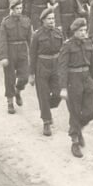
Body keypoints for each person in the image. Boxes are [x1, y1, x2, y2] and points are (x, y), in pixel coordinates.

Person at [58, 18, 93, 158]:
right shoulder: (67, 46)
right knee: (75, 112)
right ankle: (75, 142)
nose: (84, 33)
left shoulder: (89, 43)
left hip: (86, 79)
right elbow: (62, 68)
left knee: (91, 111)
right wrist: (63, 87)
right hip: (73, 81)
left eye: (84, 30)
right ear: (74, 32)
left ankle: (77, 129)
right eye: (80, 31)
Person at [29, 8, 64, 136]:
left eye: (53, 19)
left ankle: (46, 109)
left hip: (56, 66)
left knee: (58, 93)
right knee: (43, 95)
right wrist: (31, 74)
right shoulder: (37, 35)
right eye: (49, 19)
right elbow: (32, 55)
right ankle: (46, 122)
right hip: (42, 67)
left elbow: (63, 52)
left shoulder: (59, 33)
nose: (52, 21)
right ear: (43, 20)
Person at [0, 0, 32, 114]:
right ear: (12, 9)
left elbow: (30, 39)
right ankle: (10, 102)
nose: (19, 10)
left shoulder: (26, 21)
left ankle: (17, 90)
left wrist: (32, 54)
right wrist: (3, 56)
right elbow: (2, 41)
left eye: (20, 8)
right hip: (10, 51)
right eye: (17, 8)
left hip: (22, 50)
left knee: (24, 77)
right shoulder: (6, 22)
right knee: (10, 78)